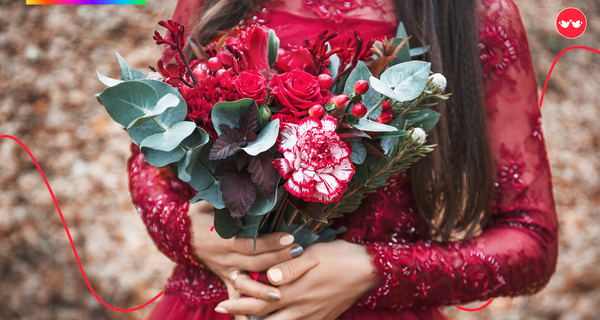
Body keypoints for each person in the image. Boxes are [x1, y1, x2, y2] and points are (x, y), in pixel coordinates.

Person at [128, 0, 558, 319]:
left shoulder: (473, 15)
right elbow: (151, 157)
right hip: (214, 305)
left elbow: (532, 239)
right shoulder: (216, 3)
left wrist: (376, 271)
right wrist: (191, 234)